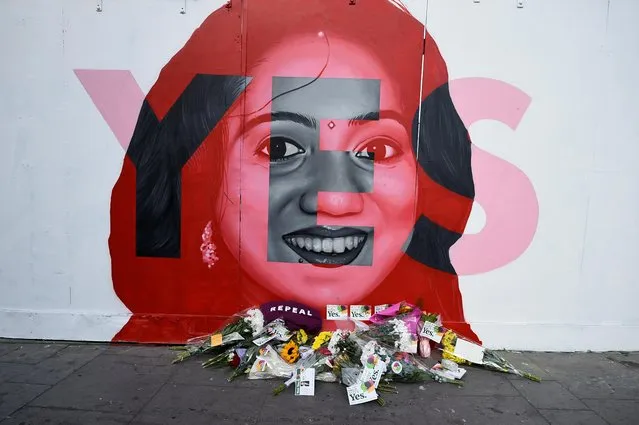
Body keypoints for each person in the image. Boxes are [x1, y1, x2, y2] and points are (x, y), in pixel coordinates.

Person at [109, 0, 480, 344]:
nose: (334, 200)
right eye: (280, 149)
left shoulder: (437, 345)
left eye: (375, 150)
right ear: (202, 173)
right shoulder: (154, 353)